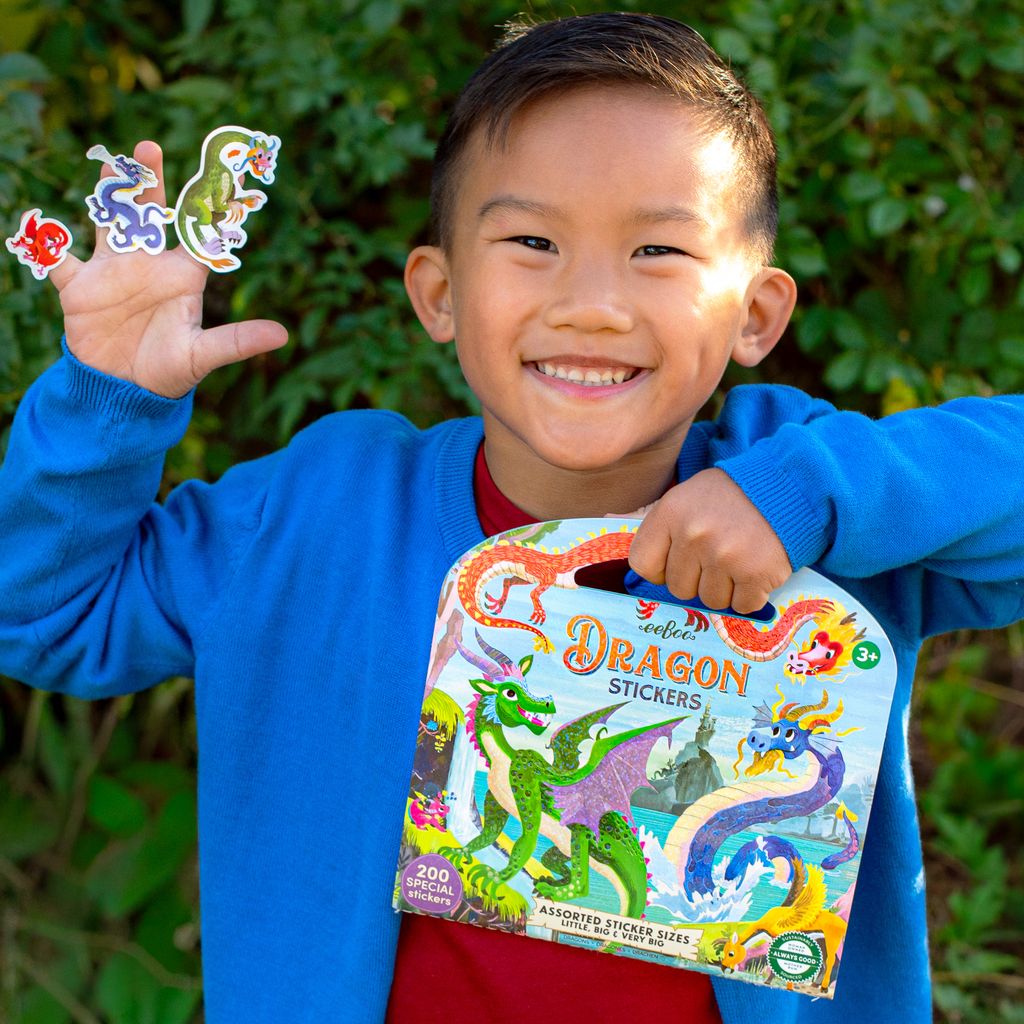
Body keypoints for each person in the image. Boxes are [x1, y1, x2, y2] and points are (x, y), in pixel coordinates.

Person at [0, 12, 1021, 1024]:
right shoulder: (317, 517)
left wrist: (810, 494)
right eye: (533, 241)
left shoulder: (827, 517)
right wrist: (108, 402)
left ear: (755, 314)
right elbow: (45, 615)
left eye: (658, 248)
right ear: (439, 294)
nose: (591, 302)